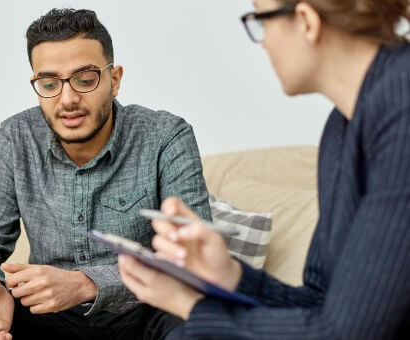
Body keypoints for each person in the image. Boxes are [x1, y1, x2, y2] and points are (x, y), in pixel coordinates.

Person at [0, 8, 217, 340]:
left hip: (140, 313)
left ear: (114, 80)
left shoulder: (165, 136)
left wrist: (87, 283)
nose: (68, 99)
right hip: (47, 320)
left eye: (85, 80)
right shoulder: (16, 137)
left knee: (202, 316)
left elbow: (194, 260)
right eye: (49, 83)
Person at [118, 0, 410, 339]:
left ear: (305, 21)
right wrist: (229, 275)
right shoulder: (340, 128)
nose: (262, 41)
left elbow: (348, 332)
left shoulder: (401, 111)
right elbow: (319, 302)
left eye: (261, 21)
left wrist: (189, 305)